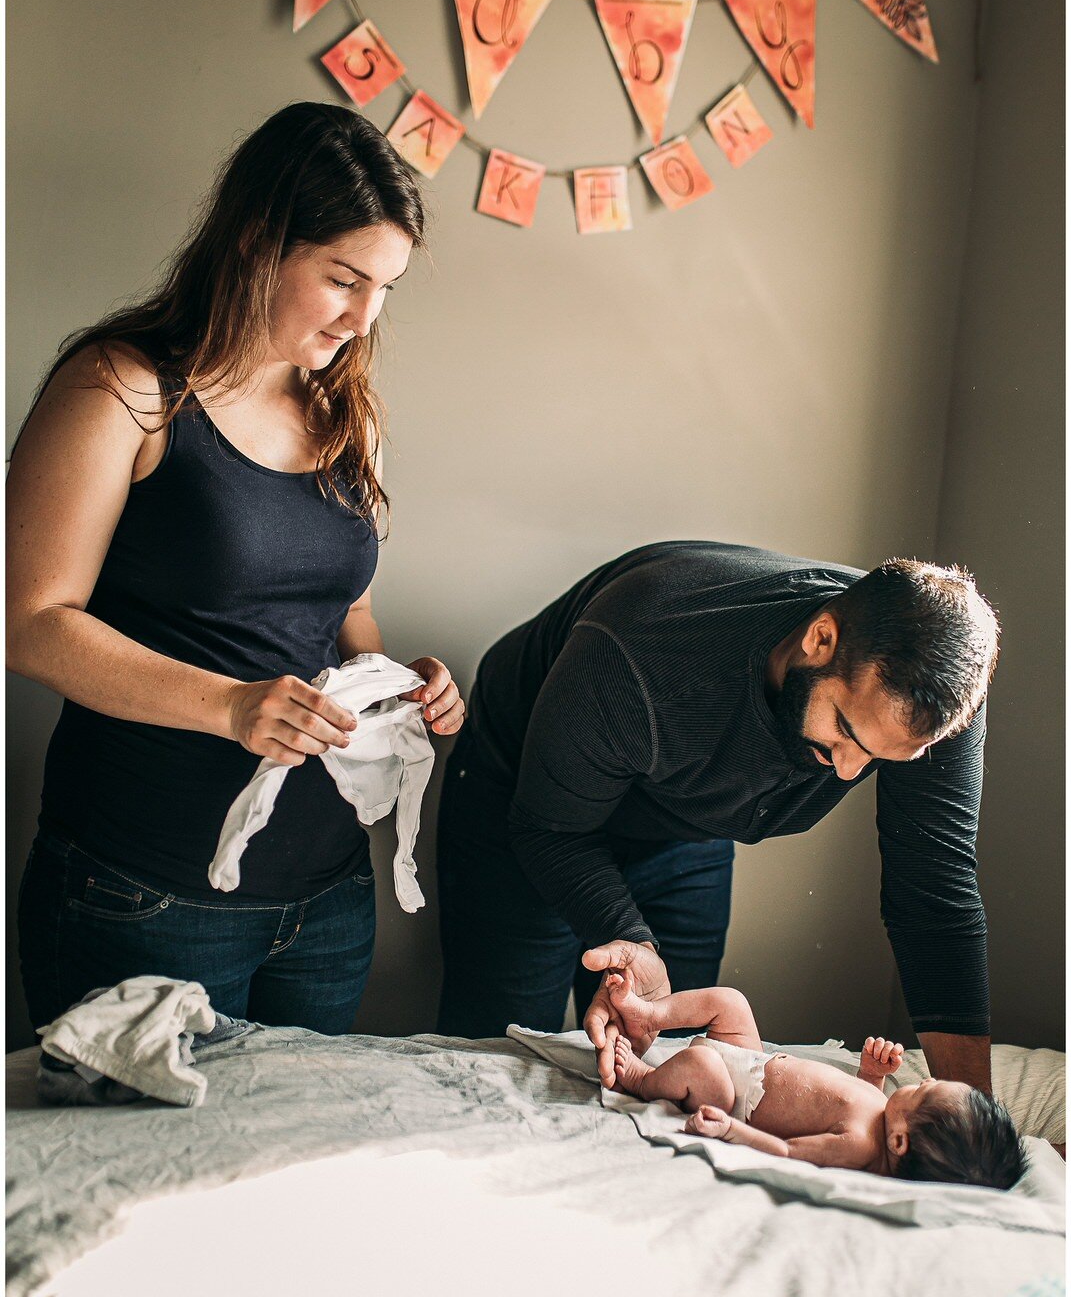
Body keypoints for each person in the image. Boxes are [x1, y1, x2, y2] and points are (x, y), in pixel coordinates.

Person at [8, 102, 464, 1035]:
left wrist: (399, 686)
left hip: (327, 902)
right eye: (343, 278)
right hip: (146, 893)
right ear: (259, 243)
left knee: (290, 1179)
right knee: (126, 1178)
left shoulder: (346, 412)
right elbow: (29, 620)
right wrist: (231, 705)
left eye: (384, 287)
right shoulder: (125, 391)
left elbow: (347, 615)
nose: (363, 315)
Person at [435, 541, 998, 1093]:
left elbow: (933, 894)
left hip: (683, 817)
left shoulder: (933, 704)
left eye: (880, 757)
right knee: (500, 1053)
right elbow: (551, 830)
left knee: (680, 1066)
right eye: (846, 732)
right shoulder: (640, 646)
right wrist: (624, 934)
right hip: (529, 803)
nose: (849, 773)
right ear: (820, 639)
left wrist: (969, 1120)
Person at [604, 969, 1025, 1190]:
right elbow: (856, 1099)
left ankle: (643, 1080)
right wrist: (872, 1074)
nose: (919, 1083)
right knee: (730, 1002)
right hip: (755, 1061)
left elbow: (788, 1152)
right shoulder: (882, 1119)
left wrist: (731, 1128)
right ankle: (649, 1013)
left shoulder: (859, 1145)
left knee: (703, 1067)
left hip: (738, 1097)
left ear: (900, 1142)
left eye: (922, 1090)